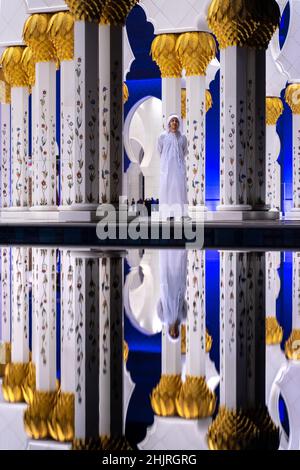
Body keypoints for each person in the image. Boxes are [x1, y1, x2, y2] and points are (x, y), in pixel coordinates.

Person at [158, 114, 188, 220]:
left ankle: (182, 213)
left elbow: (184, 151)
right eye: (172, 121)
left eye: (176, 121)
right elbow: (159, 150)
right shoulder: (163, 136)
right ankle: (168, 213)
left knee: (179, 189)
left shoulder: (182, 137)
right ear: (169, 123)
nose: (174, 123)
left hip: (179, 169)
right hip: (166, 169)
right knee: (167, 189)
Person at [157, 249, 187, 341]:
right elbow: (185, 304)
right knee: (179, 264)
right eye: (176, 334)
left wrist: (165, 295)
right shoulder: (183, 318)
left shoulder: (163, 319)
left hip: (167, 288)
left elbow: (159, 304)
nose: (174, 332)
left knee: (166, 264)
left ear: (169, 333)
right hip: (179, 285)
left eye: (172, 334)